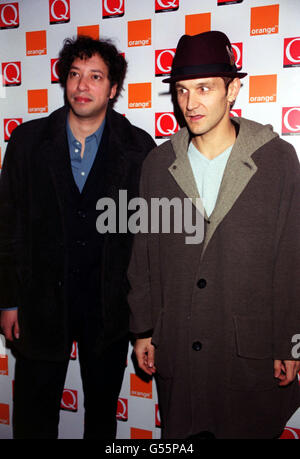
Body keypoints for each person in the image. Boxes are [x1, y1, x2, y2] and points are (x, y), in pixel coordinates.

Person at [128, 31, 300, 439]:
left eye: (204, 88)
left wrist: (290, 343)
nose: (191, 103)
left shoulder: (276, 159)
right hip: (180, 345)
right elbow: (144, 255)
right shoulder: (158, 164)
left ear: (233, 89)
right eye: (183, 90)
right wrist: (143, 329)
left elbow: (292, 258)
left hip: (248, 350)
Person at [0, 35, 155, 439]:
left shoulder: (139, 148)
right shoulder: (28, 142)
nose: (82, 85)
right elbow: (8, 227)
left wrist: (144, 319)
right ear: (64, 81)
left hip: (109, 309)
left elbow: (145, 243)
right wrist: (8, 300)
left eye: (95, 76)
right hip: (40, 303)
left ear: (113, 88)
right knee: (33, 416)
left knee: (103, 417)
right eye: (74, 74)